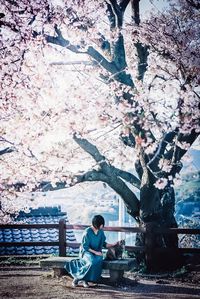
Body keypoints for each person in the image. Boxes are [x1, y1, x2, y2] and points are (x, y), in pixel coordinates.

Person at [65, 214, 117, 288]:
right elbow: (85, 246)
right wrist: (95, 252)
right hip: (86, 251)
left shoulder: (100, 232)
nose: (102, 226)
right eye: (101, 224)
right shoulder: (87, 232)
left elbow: (103, 243)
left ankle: (86, 280)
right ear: (98, 224)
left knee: (98, 260)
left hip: (97, 251)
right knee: (91, 262)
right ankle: (77, 278)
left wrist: (112, 244)